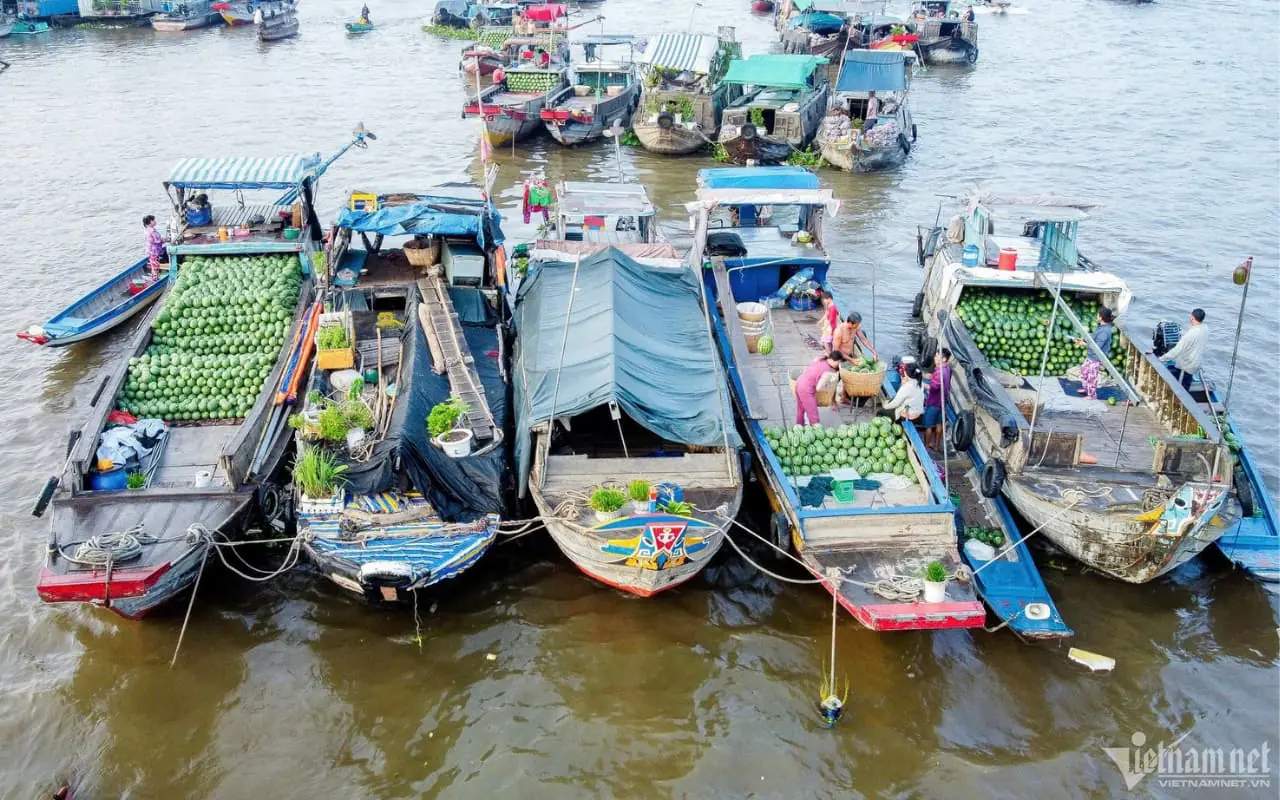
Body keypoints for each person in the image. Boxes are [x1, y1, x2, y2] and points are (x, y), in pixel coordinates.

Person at [1160, 308, 1208, 391]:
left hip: (1186, 367)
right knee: (1187, 383)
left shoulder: (1190, 335)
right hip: (1196, 364)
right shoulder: (1205, 328)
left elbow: (1175, 351)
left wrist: (1161, 358)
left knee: (1181, 390)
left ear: (1192, 318)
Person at [1074, 307, 1115, 400]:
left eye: (1098, 314)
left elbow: (1097, 346)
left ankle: (1092, 395)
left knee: (1091, 377)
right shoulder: (1101, 327)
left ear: (1101, 317)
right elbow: (1093, 338)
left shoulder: (1105, 331)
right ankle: (1086, 389)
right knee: (1084, 371)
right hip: (1091, 355)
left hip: (1096, 358)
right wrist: (1083, 340)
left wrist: (1084, 344)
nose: (1096, 316)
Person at [795, 352, 845, 426]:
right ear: (834, 360)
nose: (838, 365)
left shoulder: (821, 359)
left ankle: (799, 426)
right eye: (838, 363)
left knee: (800, 409)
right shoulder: (827, 370)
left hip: (799, 382)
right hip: (806, 389)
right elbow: (818, 388)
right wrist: (829, 388)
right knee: (813, 414)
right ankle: (815, 429)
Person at [922, 348, 952, 448]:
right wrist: (925, 375)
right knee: (939, 423)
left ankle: (927, 445)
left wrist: (922, 385)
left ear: (944, 359)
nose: (934, 358)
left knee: (928, 425)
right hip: (942, 401)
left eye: (937, 356)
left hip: (934, 402)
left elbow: (933, 388)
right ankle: (936, 445)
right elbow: (935, 378)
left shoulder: (940, 372)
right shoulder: (947, 368)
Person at [143, 215, 167, 281]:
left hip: (150, 250)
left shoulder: (146, 229)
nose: (155, 221)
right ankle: (155, 279)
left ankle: (155, 277)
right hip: (154, 251)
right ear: (150, 221)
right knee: (155, 265)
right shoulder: (152, 231)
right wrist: (165, 240)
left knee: (154, 264)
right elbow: (158, 240)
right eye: (154, 220)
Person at [817, 289, 840, 353]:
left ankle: (829, 354)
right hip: (828, 326)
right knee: (828, 341)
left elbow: (831, 320)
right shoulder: (829, 305)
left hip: (830, 327)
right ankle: (829, 353)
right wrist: (821, 321)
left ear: (829, 299)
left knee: (825, 342)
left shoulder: (832, 308)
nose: (824, 301)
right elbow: (826, 314)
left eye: (824, 299)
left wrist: (824, 327)